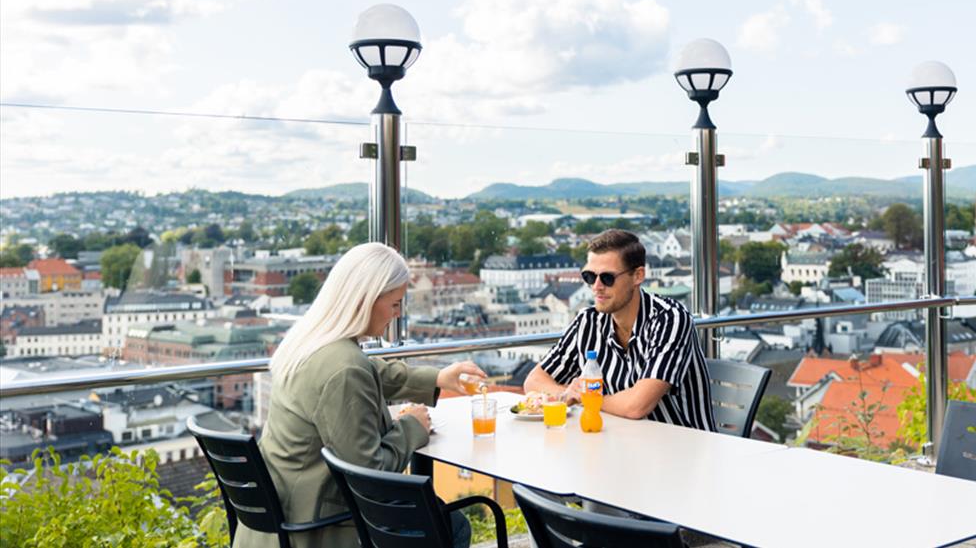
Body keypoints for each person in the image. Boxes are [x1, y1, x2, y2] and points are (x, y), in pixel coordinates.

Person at [234, 242, 486, 548]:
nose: (398, 314)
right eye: (395, 304)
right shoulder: (344, 367)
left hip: (279, 515)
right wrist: (412, 428)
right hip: (318, 524)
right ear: (366, 299)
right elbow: (371, 476)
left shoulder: (310, 342)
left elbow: (372, 370)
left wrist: (438, 378)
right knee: (451, 525)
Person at [524, 229, 715, 431]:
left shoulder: (670, 319)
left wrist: (586, 398)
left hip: (682, 443)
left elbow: (636, 406)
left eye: (607, 278)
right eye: (589, 276)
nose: (596, 286)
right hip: (620, 439)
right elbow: (534, 382)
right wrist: (567, 394)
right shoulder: (588, 321)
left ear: (638, 276)